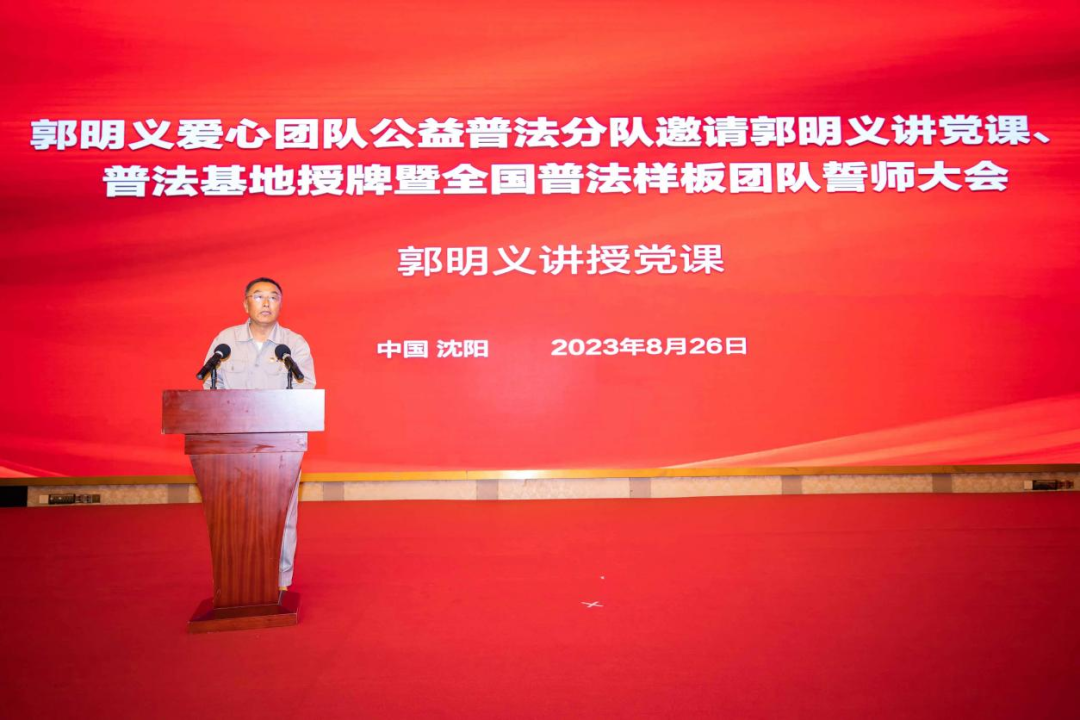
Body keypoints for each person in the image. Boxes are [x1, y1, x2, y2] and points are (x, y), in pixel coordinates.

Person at [201, 277, 316, 592]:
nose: (266, 303)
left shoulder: (294, 344)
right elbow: (210, 387)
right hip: (232, 445)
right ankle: (235, 575)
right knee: (233, 512)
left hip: (280, 444)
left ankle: (280, 580)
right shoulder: (225, 341)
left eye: (273, 297)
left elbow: (306, 388)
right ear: (245, 304)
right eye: (258, 296)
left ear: (281, 304)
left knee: (282, 514)